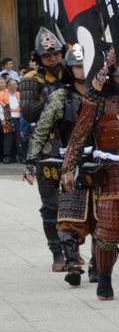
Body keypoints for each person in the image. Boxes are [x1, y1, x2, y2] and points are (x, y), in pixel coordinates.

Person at [59, 58, 119, 299]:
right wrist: (68, 168)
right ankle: (104, 278)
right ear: (111, 74)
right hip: (109, 171)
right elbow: (79, 134)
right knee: (107, 234)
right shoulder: (97, 101)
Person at [25, 45, 93, 284]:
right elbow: (41, 128)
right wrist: (30, 161)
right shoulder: (59, 95)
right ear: (69, 68)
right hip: (65, 157)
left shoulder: (104, 93)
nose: (82, 71)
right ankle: (69, 259)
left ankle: (98, 261)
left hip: (99, 158)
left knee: (102, 214)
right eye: (76, 66)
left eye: (85, 65)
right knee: (64, 212)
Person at [18, 28, 67, 270]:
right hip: (46, 144)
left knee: (76, 201)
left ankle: (73, 250)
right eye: (47, 56)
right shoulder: (30, 79)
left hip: (74, 142)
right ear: (39, 58)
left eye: (56, 53)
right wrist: (55, 99)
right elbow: (27, 112)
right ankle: (56, 251)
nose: (53, 58)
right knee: (51, 203)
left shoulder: (73, 71)